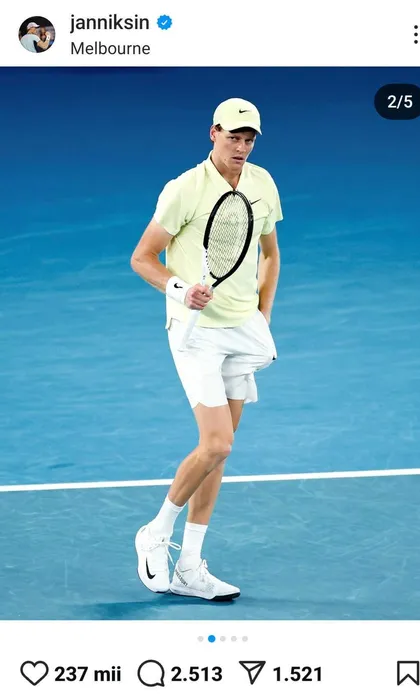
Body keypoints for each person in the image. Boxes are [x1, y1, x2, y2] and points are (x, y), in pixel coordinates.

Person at [130, 97, 282, 601]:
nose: (241, 146)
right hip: (196, 332)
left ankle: (190, 566)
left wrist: (262, 315)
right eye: (233, 137)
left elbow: (270, 255)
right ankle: (156, 532)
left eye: (248, 139)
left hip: (242, 329)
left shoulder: (262, 183)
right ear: (214, 133)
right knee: (216, 444)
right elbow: (143, 257)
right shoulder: (184, 189)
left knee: (221, 454)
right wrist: (179, 290)